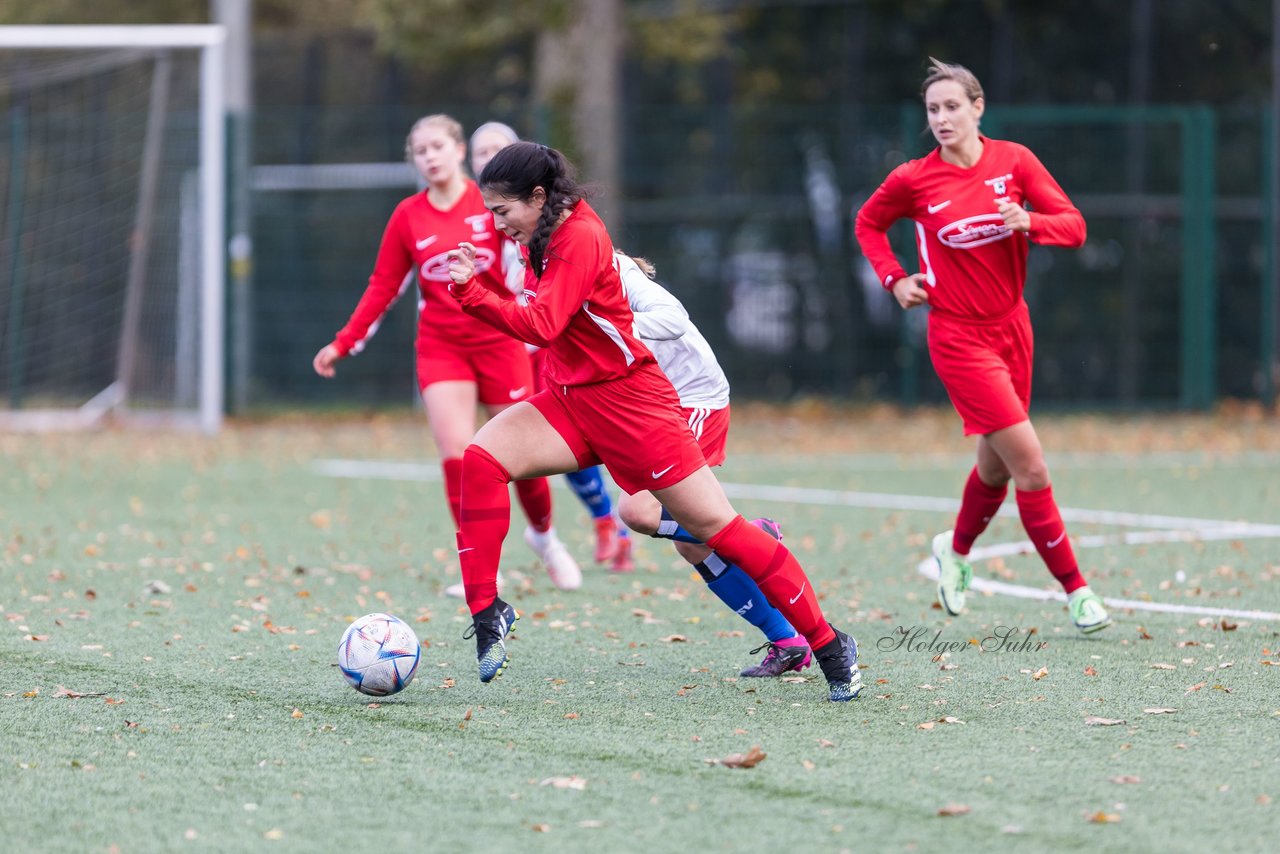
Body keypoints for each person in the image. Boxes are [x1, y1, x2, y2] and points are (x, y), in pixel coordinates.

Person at [446, 141, 862, 701]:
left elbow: (543, 324)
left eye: (503, 212)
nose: (498, 226)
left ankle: (828, 643)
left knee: (716, 532)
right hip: (574, 399)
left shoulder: (579, 238)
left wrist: (474, 294)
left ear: (539, 198)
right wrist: (485, 287)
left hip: (632, 407)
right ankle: (487, 611)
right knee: (483, 459)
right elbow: (550, 319)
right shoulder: (540, 239)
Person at [853, 58, 1111, 634]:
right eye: (932, 110)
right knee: (1032, 467)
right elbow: (868, 225)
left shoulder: (1014, 161)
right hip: (957, 337)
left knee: (995, 470)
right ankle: (1078, 592)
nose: (942, 119)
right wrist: (894, 278)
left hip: (1014, 329)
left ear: (978, 107)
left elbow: (1074, 226)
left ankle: (957, 551)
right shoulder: (914, 179)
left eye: (951, 107)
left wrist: (1028, 222)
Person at [312, 114, 581, 594]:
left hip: (500, 340)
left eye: (438, 146)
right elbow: (383, 286)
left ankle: (544, 538)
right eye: (420, 150)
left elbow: (530, 261)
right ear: (413, 161)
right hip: (442, 347)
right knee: (459, 456)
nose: (430, 156)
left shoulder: (491, 207)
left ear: (460, 151)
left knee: (522, 455)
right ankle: (481, 566)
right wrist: (343, 342)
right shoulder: (408, 215)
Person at [611, 250, 812, 677]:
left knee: (640, 511)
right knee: (691, 543)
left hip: (693, 402)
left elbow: (671, 320)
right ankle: (788, 641)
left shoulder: (610, 271)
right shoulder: (547, 271)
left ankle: (751, 535)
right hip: (655, 409)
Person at [468, 120, 633, 573]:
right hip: (533, 349)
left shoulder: (566, 230)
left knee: (657, 509)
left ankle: (596, 525)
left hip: (596, 368)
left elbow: (545, 318)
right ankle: (595, 523)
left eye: (495, 150)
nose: (486, 158)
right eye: (479, 152)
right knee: (508, 452)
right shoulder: (490, 219)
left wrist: (475, 296)